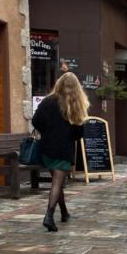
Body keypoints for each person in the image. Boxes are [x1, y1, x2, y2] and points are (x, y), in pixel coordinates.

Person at [32, 72, 87, 232]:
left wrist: (48, 131)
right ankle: (49, 216)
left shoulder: (48, 101)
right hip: (63, 149)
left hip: (47, 148)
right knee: (57, 182)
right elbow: (79, 133)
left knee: (58, 182)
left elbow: (36, 121)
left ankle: (64, 213)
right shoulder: (75, 105)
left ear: (59, 84)